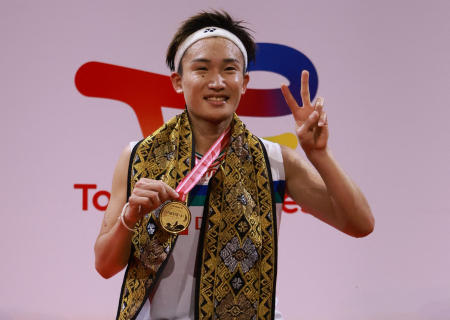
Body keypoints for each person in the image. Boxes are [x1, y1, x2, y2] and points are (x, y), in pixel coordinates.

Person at [94, 10, 374, 320]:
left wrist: (319, 154)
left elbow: (360, 224)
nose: (216, 82)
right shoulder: (138, 157)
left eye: (229, 69)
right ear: (178, 81)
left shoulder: (274, 160)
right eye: (201, 69)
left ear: (244, 82)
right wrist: (128, 219)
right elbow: (105, 266)